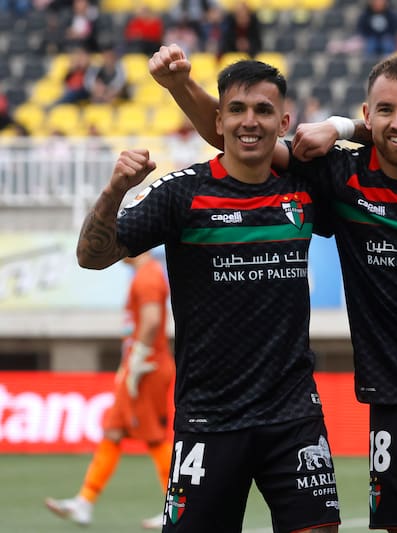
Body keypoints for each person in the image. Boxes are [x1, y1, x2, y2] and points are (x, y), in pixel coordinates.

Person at [149, 45, 397, 533]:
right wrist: (181, 84)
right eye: (384, 110)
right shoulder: (342, 177)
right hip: (396, 398)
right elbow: (245, 138)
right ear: (367, 115)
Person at [75, 59, 340, 533]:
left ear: (283, 123)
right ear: (218, 122)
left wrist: (345, 126)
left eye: (263, 110)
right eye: (235, 109)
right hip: (208, 419)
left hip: (293, 416)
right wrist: (115, 190)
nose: (249, 121)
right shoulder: (182, 193)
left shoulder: (305, 189)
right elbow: (91, 256)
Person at [45, 250, 175, 530]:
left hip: (147, 370)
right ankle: (85, 501)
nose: (117, 251)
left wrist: (139, 356)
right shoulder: (143, 275)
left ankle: (174, 508)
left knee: (154, 438)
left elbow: (152, 321)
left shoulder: (149, 276)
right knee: (113, 431)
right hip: (137, 367)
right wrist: (129, 362)